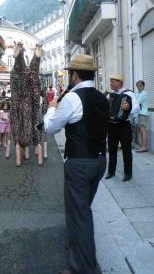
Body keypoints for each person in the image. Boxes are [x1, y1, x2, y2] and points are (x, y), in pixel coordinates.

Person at [44, 54, 109, 274]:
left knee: (78, 215)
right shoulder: (102, 97)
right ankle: (87, 260)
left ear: (74, 74)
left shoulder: (72, 98)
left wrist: (52, 107)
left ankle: (84, 268)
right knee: (83, 211)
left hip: (80, 163)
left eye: (70, 73)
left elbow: (51, 127)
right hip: (100, 160)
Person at [105, 74, 140, 182]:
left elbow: (137, 108)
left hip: (124, 125)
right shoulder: (110, 95)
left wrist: (128, 107)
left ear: (119, 82)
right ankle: (111, 171)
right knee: (112, 149)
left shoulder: (129, 94)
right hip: (111, 126)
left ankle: (128, 173)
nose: (110, 84)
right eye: (110, 81)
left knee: (126, 150)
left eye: (112, 81)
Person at [135, 80, 148, 152]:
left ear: (143, 86)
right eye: (137, 85)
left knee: (142, 130)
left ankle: (144, 147)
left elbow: (136, 102)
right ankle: (143, 146)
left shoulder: (143, 93)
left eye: (140, 85)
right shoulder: (138, 93)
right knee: (141, 130)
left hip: (143, 113)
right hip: (140, 114)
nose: (139, 87)